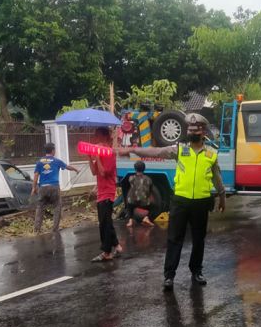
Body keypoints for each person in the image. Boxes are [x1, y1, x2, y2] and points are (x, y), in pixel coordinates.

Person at [118, 113, 225, 290]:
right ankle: (169, 276)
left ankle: (196, 271)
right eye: (189, 129)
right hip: (180, 202)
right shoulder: (179, 149)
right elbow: (156, 151)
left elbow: (217, 177)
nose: (191, 132)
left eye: (195, 129)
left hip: (201, 203)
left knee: (199, 239)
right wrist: (133, 150)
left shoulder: (210, 154)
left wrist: (222, 197)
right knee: (175, 239)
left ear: (203, 131)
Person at [89, 127, 123, 261]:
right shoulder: (101, 153)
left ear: (103, 137)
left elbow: (103, 172)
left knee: (104, 223)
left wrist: (97, 157)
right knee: (105, 222)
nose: (95, 138)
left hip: (108, 192)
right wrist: (89, 158)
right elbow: (94, 172)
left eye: (97, 135)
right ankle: (117, 246)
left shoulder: (109, 153)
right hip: (101, 192)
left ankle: (107, 252)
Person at [32, 143, 78, 233]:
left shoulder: (39, 162)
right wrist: (76, 169)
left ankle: (36, 229)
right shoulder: (57, 161)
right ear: (53, 151)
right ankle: (55, 229)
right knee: (57, 206)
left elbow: (36, 175)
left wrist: (34, 188)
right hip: (54, 187)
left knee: (40, 207)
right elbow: (67, 167)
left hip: (43, 188)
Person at [126, 160, 155, 227]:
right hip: (144, 203)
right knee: (154, 206)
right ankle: (146, 218)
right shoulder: (148, 179)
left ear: (135, 169)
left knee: (129, 205)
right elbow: (150, 190)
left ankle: (130, 221)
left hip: (133, 202)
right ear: (144, 169)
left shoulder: (131, 178)